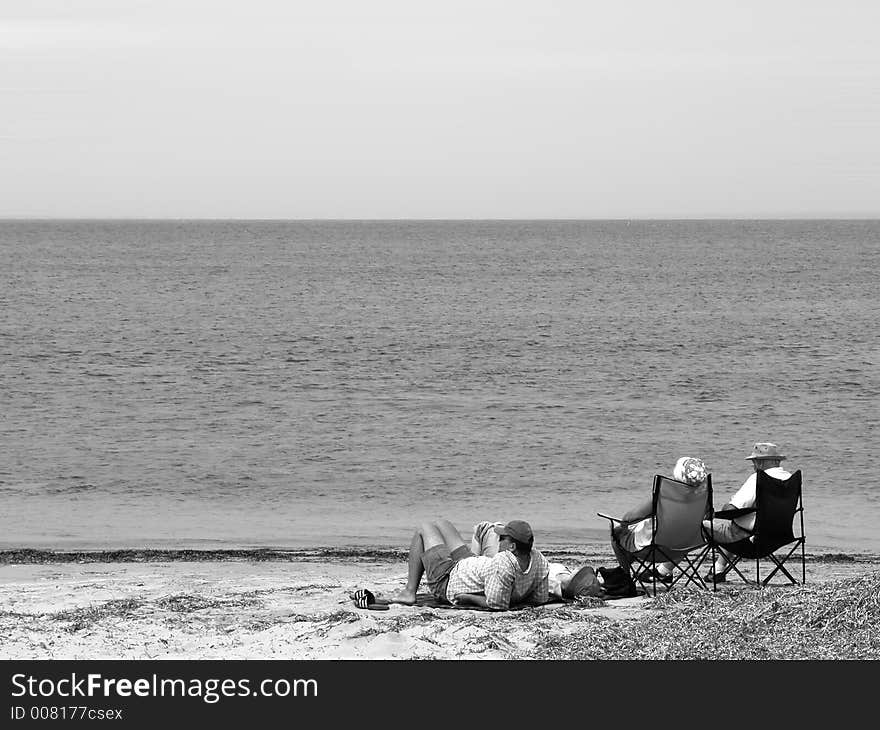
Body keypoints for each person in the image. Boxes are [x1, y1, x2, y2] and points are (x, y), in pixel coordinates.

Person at [388, 518, 550, 610]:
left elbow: (497, 604)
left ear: (512, 546)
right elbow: (540, 598)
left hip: (448, 579)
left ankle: (409, 592)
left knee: (424, 528)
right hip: (471, 566)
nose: (498, 541)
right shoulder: (538, 559)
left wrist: (467, 597)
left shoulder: (503, 563)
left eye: (501, 539)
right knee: (442, 524)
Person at [607, 456, 711, 592]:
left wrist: (624, 525)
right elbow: (709, 518)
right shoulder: (704, 498)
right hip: (685, 546)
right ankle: (662, 571)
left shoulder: (665, 497)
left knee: (618, 533)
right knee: (681, 531)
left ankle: (625, 577)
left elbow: (628, 518)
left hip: (654, 550)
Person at [703, 442, 792, 582]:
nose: (754, 465)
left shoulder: (758, 479)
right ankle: (717, 570)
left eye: (754, 462)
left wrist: (724, 508)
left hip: (750, 540)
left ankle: (664, 569)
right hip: (778, 537)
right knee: (738, 524)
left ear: (760, 463)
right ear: (777, 460)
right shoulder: (790, 479)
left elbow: (732, 509)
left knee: (700, 525)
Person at [470, 521, 602, 600]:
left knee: (485, 527)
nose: (577, 571)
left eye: (577, 574)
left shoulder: (552, 582)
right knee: (491, 528)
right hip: (518, 555)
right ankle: (472, 561)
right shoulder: (559, 576)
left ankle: (471, 562)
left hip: (507, 561)